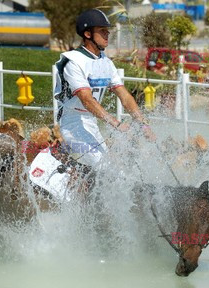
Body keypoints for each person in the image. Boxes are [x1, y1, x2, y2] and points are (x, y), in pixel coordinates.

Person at [54, 8, 155, 168]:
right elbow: (86, 99)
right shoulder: (73, 61)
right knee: (104, 168)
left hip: (91, 122)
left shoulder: (105, 62)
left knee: (116, 171)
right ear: (88, 34)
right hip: (72, 124)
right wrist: (115, 123)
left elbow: (125, 96)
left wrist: (143, 124)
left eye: (107, 31)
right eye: (102, 31)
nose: (107, 34)